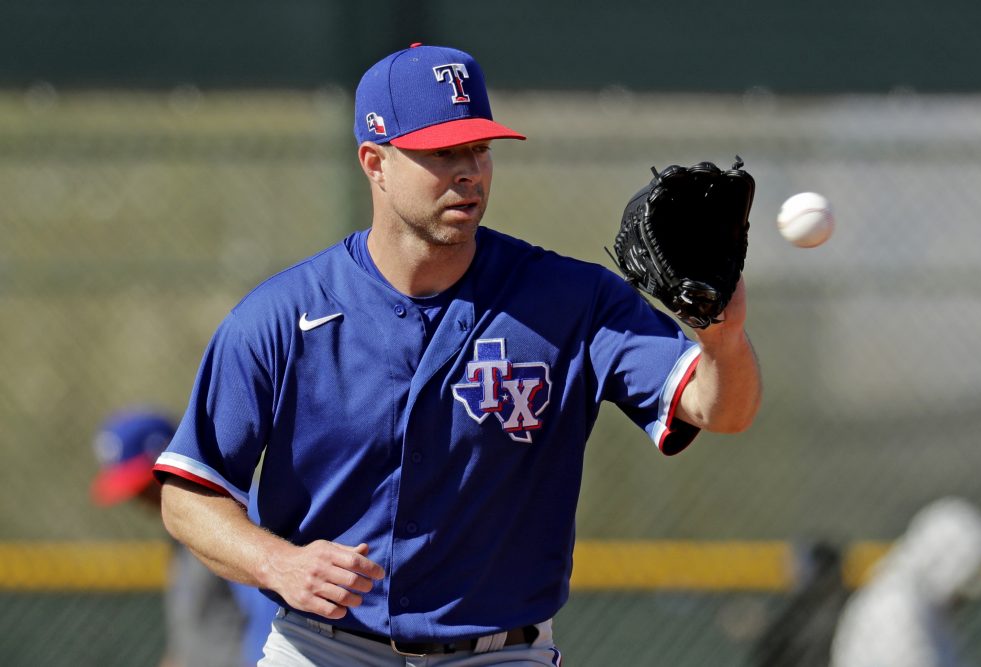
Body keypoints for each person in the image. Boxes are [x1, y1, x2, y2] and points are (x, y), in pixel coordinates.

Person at [154, 43, 762, 665]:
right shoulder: (281, 317)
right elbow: (189, 495)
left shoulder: (570, 299)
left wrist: (722, 338)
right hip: (323, 648)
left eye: (480, 148)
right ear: (375, 161)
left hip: (498, 653)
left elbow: (721, 409)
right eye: (443, 151)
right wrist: (276, 562)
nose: (469, 170)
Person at [91, 407, 276, 667]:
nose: (139, 501)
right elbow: (191, 636)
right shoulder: (181, 526)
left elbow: (270, 621)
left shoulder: (237, 512)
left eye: (143, 487)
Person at [830, 496, 981, 667]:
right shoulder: (896, 604)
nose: (964, 597)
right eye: (965, 578)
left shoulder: (921, 605)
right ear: (944, 563)